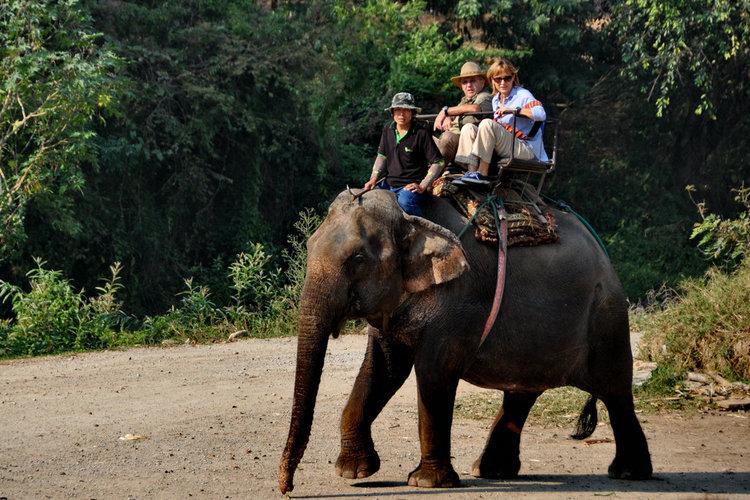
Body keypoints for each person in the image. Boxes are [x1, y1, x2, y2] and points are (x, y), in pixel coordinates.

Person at [454, 58, 548, 186]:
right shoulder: (496, 100)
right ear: (492, 80)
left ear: (513, 77)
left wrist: (515, 110)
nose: (502, 82)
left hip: (526, 148)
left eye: (507, 78)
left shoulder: (522, 95)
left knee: (487, 123)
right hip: (507, 145)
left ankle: (482, 173)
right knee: (468, 127)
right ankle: (471, 172)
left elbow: (541, 114)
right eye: (498, 79)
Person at [364, 92, 444, 217]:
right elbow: (382, 156)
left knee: (405, 203)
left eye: (406, 110)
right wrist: (373, 178)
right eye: (398, 110)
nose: (401, 114)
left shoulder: (421, 132)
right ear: (392, 112)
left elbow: (438, 162)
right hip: (389, 184)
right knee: (367, 199)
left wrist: (423, 185)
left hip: (410, 188)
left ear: (412, 113)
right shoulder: (388, 130)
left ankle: (422, 227)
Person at [432, 61, 494, 166]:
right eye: (465, 82)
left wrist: (445, 112)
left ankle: (428, 179)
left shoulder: (485, 96)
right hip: (456, 143)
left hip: (474, 146)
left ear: (482, 82)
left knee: (447, 138)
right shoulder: (464, 100)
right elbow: (459, 110)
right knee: (423, 136)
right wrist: (448, 117)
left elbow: (475, 109)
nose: (468, 85)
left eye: (472, 81)